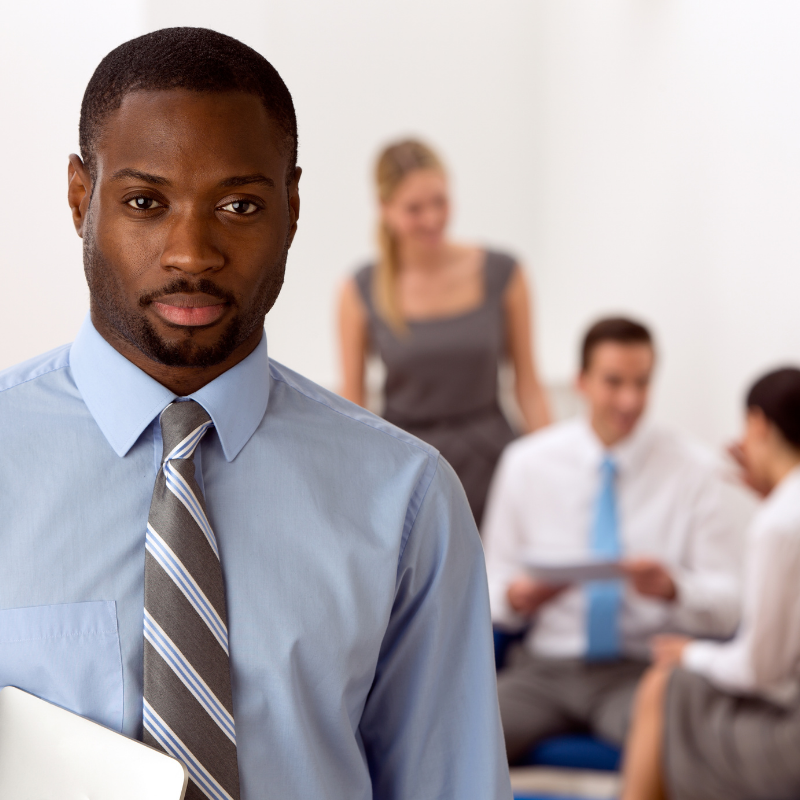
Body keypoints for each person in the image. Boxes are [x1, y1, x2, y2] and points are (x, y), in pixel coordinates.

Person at [0, 28, 511, 800]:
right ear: (82, 197)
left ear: (293, 206)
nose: (192, 251)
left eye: (239, 204)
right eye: (145, 201)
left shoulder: (406, 500)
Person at [482, 317, 741, 763]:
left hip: (641, 670)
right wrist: (517, 597)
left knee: (674, 753)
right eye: (614, 382)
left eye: (642, 383)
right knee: (455, 744)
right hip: (543, 669)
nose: (630, 400)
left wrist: (674, 589)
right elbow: (486, 587)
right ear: (581, 382)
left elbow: (730, 605)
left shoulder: (695, 469)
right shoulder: (527, 464)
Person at [338, 139, 551, 527]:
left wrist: (559, 470)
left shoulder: (505, 273)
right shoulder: (359, 291)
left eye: (440, 201)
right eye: (415, 209)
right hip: (405, 473)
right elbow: (355, 405)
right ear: (385, 210)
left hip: (495, 468)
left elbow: (529, 387)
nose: (432, 218)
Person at [621, 367, 800, 800]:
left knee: (667, 684)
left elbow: (762, 671)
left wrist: (691, 652)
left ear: (757, 424)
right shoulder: (784, 511)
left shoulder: (778, 523)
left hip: (790, 743)